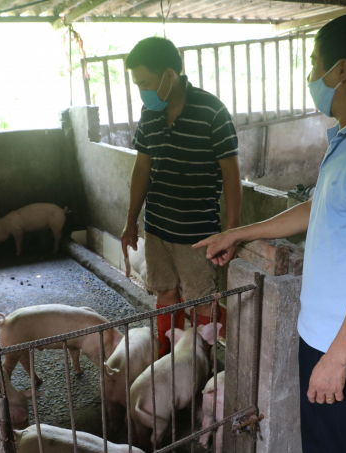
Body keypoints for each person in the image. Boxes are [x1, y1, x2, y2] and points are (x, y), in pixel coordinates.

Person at [194, 14, 346, 453]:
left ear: (340, 70)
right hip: (327, 337)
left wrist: (337, 359)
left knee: (345, 445)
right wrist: (240, 233)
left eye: (314, 63)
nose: (310, 76)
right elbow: (317, 207)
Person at [122, 37, 242, 357]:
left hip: (197, 234)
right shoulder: (149, 114)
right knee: (165, 293)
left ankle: (198, 369)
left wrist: (231, 232)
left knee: (202, 299)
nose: (142, 91)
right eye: (138, 84)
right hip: (157, 228)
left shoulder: (211, 111)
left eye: (145, 83)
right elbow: (142, 170)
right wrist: (130, 222)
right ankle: (168, 362)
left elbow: (231, 174)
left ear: (170, 75)